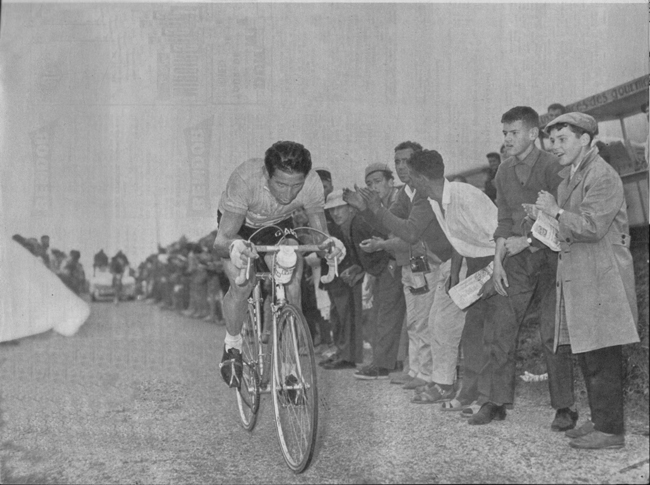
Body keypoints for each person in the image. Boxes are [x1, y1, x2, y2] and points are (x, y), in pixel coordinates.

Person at [537, 112, 639, 449]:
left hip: (601, 277)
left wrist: (556, 212)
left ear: (585, 139)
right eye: (552, 140)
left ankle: (611, 431)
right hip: (583, 277)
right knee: (589, 353)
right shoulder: (571, 177)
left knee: (603, 355)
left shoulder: (601, 175)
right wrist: (543, 220)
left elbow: (593, 227)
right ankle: (600, 421)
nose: (555, 147)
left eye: (562, 139)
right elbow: (570, 230)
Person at [469, 106, 576, 429]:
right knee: (500, 328)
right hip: (515, 260)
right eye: (504, 133)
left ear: (533, 133)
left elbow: (559, 217)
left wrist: (528, 242)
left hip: (552, 259)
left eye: (514, 133)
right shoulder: (502, 172)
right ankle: (496, 401)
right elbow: (503, 220)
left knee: (552, 333)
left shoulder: (553, 165)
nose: (508, 139)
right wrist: (498, 261)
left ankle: (564, 407)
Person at [213, 141, 343, 388]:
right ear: (266, 174)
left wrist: (329, 246)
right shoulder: (245, 178)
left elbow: (319, 234)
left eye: (296, 186)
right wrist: (234, 248)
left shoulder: (313, 183)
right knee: (242, 284)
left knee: (291, 280)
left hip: (277, 226)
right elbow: (220, 243)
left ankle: (289, 368)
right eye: (281, 184)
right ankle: (232, 345)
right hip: (239, 225)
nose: (287, 194)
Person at [345, 141, 455, 390]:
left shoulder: (424, 193)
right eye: (398, 162)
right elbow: (389, 225)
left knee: (427, 321)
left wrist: (378, 223)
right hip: (414, 263)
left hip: (431, 262)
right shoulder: (408, 193)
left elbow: (410, 231)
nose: (402, 166)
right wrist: (367, 209)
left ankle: (428, 373)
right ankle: (416, 369)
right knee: (416, 321)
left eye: (407, 161)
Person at [405, 149, 496, 408]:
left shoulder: (466, 196)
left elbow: (500, 235)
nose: (409, 182)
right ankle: (463, 390)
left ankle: (481, 397)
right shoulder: (435, 200)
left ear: (422, 177)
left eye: (411, 176)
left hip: (498, 261)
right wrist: (455, 273)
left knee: (484, 333)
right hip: (471, 263)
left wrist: (495, 274)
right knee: (456, 328)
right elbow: (458, 240)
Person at [350, 163, 405, 380]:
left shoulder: (398, 200)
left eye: (378, 181)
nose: (373, 187)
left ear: (391, 182)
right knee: (383, 313)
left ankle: (384, 363)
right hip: (391, 261)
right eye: (369, 184)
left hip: (402, 260)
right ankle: (386, 361)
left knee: (388, 314)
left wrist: (365, 209)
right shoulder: (382, 202)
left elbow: (389, 231)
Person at [318, 190, 368, 370]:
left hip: (350, 277)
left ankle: (348, 355)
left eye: (340, 208)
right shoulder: (343, 226)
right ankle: (342, 352)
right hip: (341, 277)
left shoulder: (355, 224)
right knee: (338, 316)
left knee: (348, 317)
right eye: (332, 210)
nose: (336, 213)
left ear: (350, 208)